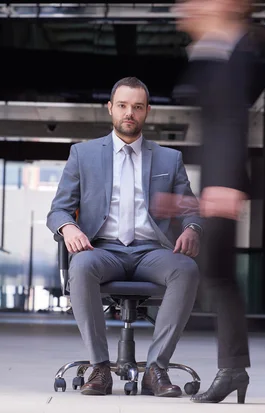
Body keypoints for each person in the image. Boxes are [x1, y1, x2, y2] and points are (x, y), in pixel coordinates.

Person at [47, 77, 202, 397]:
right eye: (122, 106)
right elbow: (58, 211)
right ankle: (100, 366)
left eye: (137, 107)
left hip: (151, 251)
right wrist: (69, 227)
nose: (129, 112)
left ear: (147, 111)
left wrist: (191, 228)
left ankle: (156, 369)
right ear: (110, 109)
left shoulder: (169, 159)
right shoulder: (83, 154)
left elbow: (191, 210)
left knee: (186, 269)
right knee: (81, 265)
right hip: (101, 249)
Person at [152, 0, 258, 404]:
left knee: (219, 275)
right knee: (219, 275)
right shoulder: (214, 52)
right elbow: (213, 126)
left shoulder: (237, 50)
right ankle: (233, 369)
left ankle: (233, 369)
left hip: (224, 182)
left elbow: (232, 121)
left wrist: (226, 183)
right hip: (218, 179)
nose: (184, 8)